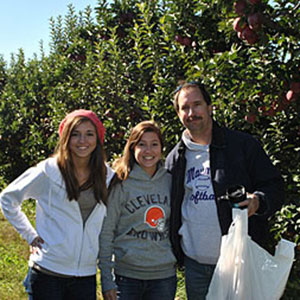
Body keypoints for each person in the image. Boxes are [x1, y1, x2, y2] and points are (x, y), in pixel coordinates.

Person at [165, 81, 284, 300]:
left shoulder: (242, 145)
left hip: (239, 264)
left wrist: (258, 201)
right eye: (184, 107)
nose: (192, 112)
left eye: (197, 104)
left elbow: (274, 185)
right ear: (178, 114)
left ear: (210, 107)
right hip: (196, 267)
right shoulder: (176, 158)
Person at [0, 109, 114, 300]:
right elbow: (7, 198)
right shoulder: (49, 171)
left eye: (89, 134)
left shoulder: (107, 176)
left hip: (85, 277)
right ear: (66, 138)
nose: (82, 141)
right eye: (75, 134)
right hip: (47, 275)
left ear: (98, 138)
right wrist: (30, 235)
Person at [98, 120, 177, 300]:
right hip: (127, 277)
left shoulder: (170, 181)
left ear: (161, 148)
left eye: (154, 144)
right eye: (142, 145)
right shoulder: (121, 183)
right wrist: (106, 279)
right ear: (132, 148)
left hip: (163, 276)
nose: (148, 151)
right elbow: (106, 231)